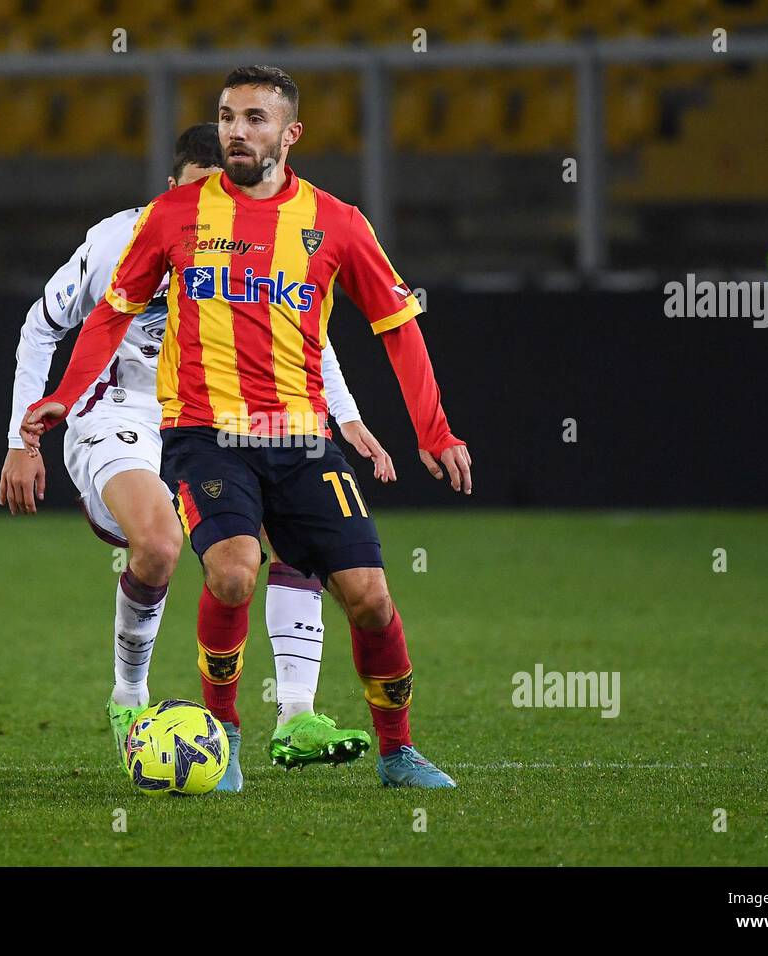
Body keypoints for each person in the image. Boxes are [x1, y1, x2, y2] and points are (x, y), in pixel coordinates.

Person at [24, 68, 472, 790]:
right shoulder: (174, 215)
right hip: (205, 433)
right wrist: (64, 395)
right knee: (232, 572)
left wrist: (434, 430)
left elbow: (396, 326)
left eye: (256, 118)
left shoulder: (339, 223)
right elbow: (111, 310)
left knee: (370, 597)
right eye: (228, 116)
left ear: (290, 134)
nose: (238, 130)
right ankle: (224, 739)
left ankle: (397, 752)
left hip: (300, 438)